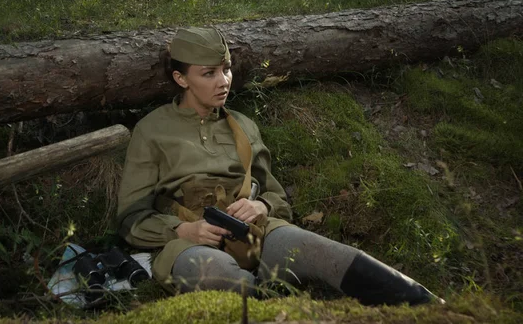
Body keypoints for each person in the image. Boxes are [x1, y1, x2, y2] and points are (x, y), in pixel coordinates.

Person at [117, 27, 441, 305]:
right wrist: (183, 229)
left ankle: (435, 309)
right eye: (208, 73)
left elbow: (277, 199)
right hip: (188, 242)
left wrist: (260, 205)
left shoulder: (243, 125)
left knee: (326, 253)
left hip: (257, 233)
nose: (223, 81)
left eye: (226, 69)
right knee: (215, 274)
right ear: (180, 78)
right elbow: (131, 219)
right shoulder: (152, 130)